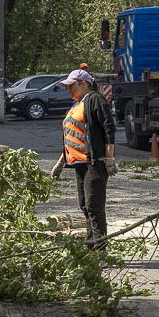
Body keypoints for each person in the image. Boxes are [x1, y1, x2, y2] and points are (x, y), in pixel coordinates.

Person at [51, 67, 116, 249]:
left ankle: (100, 249)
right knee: (85, 207)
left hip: (94, 163)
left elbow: (108, 127)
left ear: (84, 84)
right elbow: (73, 135)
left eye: (71, 86)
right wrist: (61, 162)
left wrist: (109, 158)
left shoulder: (94, 99)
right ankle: (91, 247)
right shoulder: (76, 105)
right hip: (79, 164)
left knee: (94, 207)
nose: (68, 90)